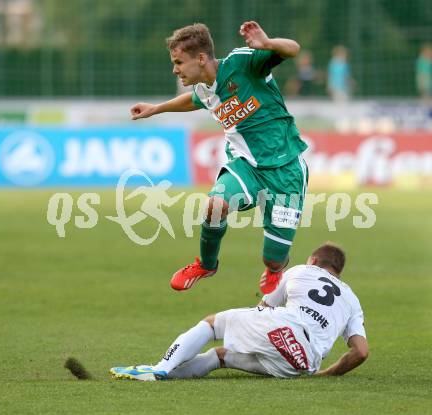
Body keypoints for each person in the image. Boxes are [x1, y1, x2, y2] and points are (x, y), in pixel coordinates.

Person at [130, 21, 308, 294]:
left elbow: (293, 49)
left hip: (286, 169)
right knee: (215, 206)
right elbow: (193, 100)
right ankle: (206, 264)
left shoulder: (241, 63)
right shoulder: (204, 88)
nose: (174, 69)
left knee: (272, 257)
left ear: (201, 58)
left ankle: (276, 268)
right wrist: (156, 109)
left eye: (179, 62)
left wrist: (268, 43)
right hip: (246, 165)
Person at [110, 243, 368, 381]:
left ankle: (159, 369)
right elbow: (361, 351)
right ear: (338, 271)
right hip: (302, 363)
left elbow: (264, 308)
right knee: (221, 356)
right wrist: (325, 374)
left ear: (313, 260)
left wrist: (257, 321)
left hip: (283, 330)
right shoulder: (352, 299)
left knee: (214, 324)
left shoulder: (301, 270)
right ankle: (159, 377)